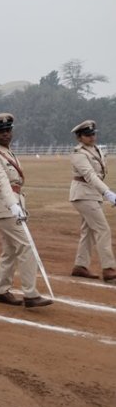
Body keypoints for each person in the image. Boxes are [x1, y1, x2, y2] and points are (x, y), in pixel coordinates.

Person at [0, 113, 53, 307]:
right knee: (26, 246)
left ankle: (0, 291)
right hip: (3, 206)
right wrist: (13, 204)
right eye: (1, 131)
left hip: (12, 205)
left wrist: (17, 204)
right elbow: (2, 182)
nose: (6, 134)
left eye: (8, 130)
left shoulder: (9, 153)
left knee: (10, 250)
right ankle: (31, 294)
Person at [68, 120, 116, 284]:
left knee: (88, 231)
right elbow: (90, 175)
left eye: (93, 134)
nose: (92, 137)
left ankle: (80, 266)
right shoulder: (78, 153)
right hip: (83, 194)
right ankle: (109, 268)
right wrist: (107, 192)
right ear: (79, 137)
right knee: (103, 229)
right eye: (88, 135)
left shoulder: (96, 149)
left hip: (92, 194)